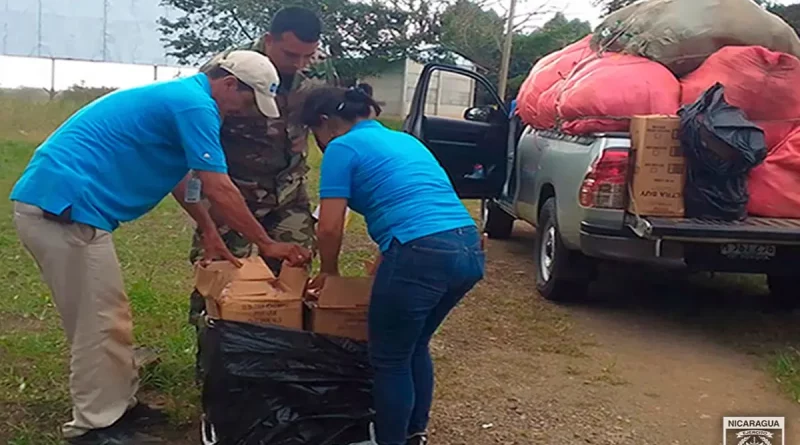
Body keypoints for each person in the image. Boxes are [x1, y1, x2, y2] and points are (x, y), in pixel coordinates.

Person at [9, 50, 312, 445]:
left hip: (69, 208)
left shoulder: (186, 98)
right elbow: (219, 186)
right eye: (246, 100)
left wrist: (208, 229)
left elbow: (182, 178)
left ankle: (116, 405)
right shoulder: (195, 104)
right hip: (64, 208)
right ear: (229, 83)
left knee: (108, 314)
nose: (245, 111)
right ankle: (94, 427)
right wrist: (266, 243)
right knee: (97, 322)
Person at [303, 86, 486, 445]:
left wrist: (328, 272)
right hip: (467, 248)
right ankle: (414, 432)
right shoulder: (407, 142)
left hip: (420, 252)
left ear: (324, 123)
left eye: (315, 134)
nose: (319, 142)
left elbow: (328, 225)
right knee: (414, 345)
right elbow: (417, 207)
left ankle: (391, 440)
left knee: (389, 358)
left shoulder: (342, 147)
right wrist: (381, 266)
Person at [187, 6, 331, 382]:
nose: (298, 63)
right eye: (290, 54)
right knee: (220, 280)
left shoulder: (313, 78)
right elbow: (194, 148)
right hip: (231, 197)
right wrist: (204, 219)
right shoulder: (228, 73)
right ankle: (213, 368)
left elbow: (328, 132)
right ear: (269, 41)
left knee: (293, 276)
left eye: (307, 55)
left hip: (289, 197)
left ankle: (274, 365)